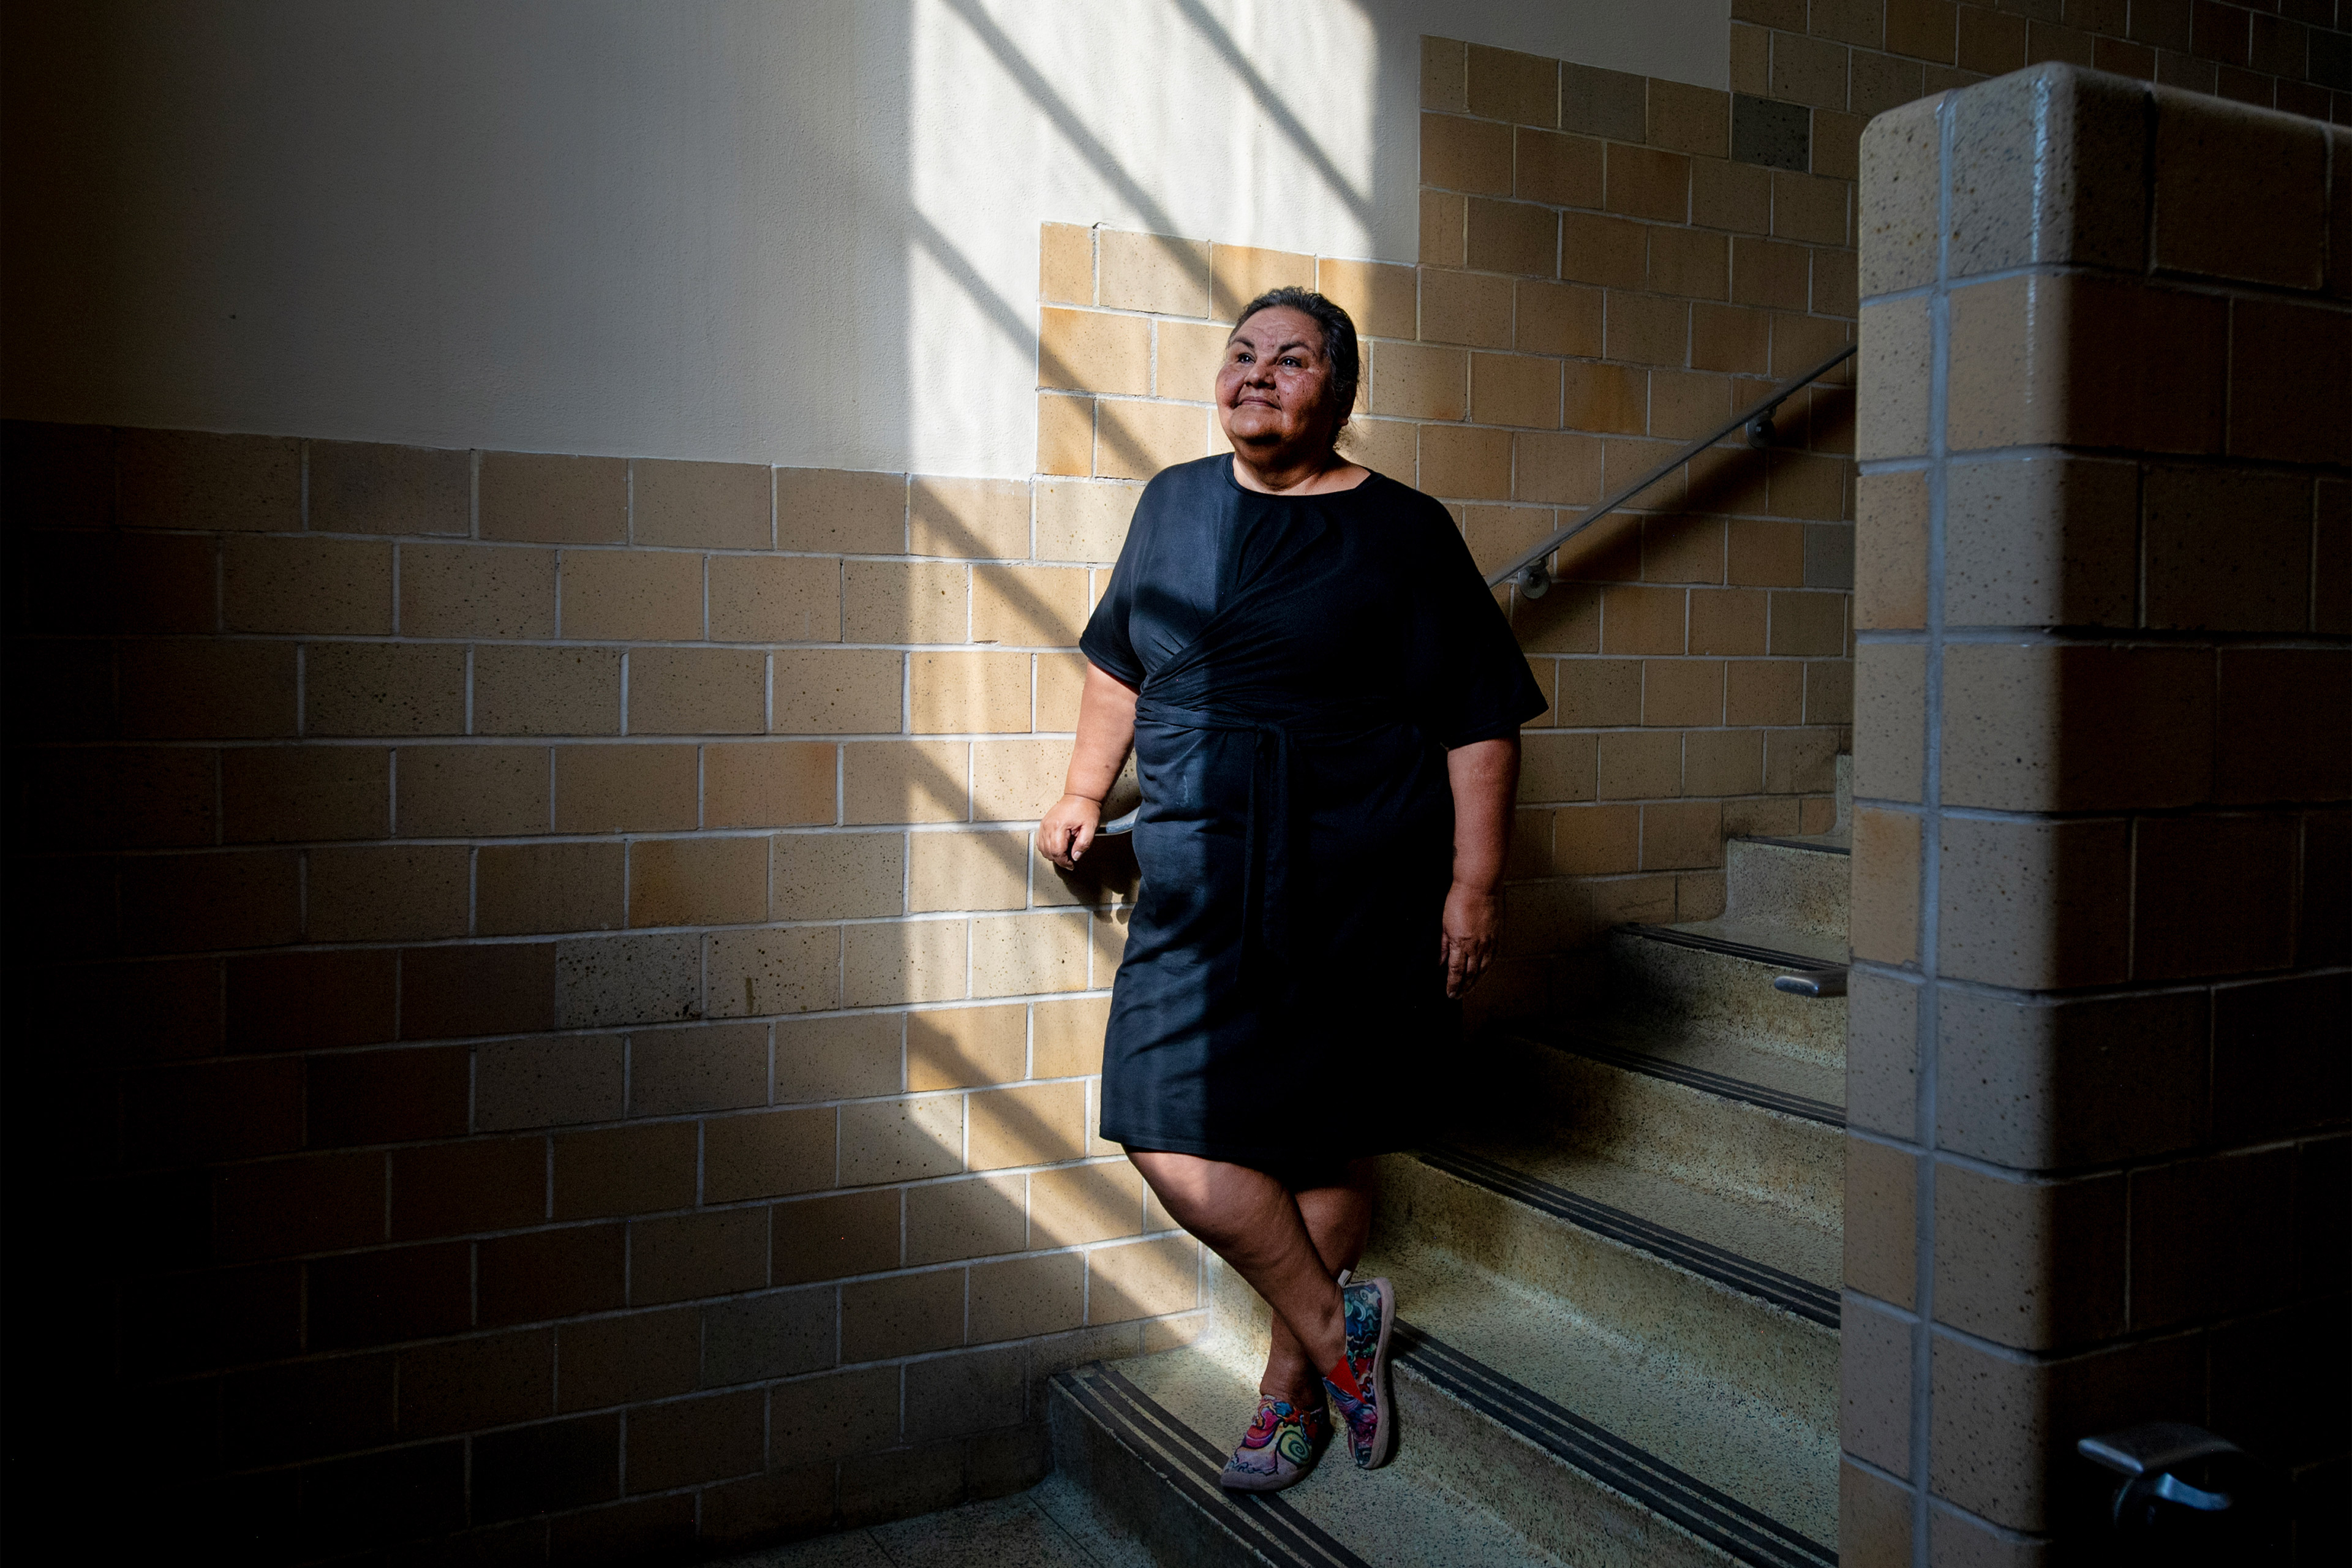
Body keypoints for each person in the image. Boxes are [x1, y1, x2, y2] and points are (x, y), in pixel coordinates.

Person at [1039, 287, 1546, 1491]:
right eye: (1243, 354)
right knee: (1160, 1123)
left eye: (1293, 358)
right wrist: (1079, 787)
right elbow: (1119, 660)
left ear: (1342, 390)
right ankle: (1341, 1333)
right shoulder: (1172, 502)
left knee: (1325, 1145)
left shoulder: (1404, 530)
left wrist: (1474, 886)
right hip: (1197, 881)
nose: (1259, 374)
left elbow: (1480, 720)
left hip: (1357, 877)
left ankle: (1287, 1396)